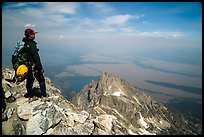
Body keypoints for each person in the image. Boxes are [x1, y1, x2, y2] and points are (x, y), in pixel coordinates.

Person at [22, 28, 47, 98]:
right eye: (33, 34)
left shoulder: (24, 42)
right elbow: (36, 57)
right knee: (41, 80)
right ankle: (44, 96)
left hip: (27, 66)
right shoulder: (32, 44)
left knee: (30, 80)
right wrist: (40, 68)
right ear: (30, 35)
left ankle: (30, 95)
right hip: (34, 66)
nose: (34, 35)